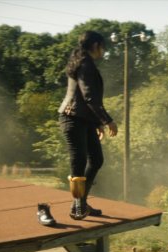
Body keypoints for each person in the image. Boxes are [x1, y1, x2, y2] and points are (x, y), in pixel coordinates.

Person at [55, 30, 118, 220]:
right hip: (72, 118)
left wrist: (96, 123)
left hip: (83, 119)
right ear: (96, 45)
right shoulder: (85, 63)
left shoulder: (84, 62)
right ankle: (77, 206)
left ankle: (81, 203)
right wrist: (107, 120)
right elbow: (89, 96)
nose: (104, 51)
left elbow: (86, 99)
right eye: (103, 47)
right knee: (79, 161)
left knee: (96, 159)